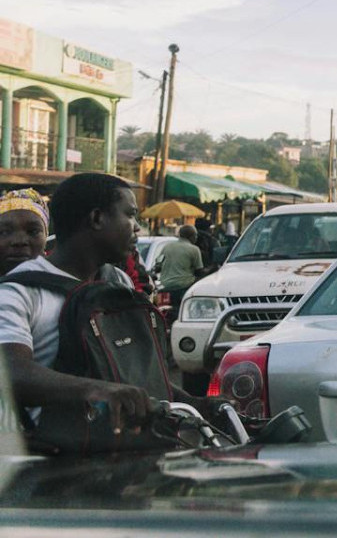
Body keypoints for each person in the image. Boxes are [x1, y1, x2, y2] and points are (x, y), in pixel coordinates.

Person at [0, 174, 208, 435]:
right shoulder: (18, 291)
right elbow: (10, 372)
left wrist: (194, 403)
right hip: (50, 462)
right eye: (130, 215)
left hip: (129, 454)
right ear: (97, 219)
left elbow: (135, 379)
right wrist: (98, 390)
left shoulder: (118, 281)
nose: (137, 228)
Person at [156, 224, 204, 321]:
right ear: (191, 236)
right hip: (184, 287)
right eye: (196, 235)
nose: (196, 238)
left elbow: (158, 266)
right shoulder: (194, 249)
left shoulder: (167, 247)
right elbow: (200, 271)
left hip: (165, 287)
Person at [0, 189, 49, 275]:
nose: (19, 241)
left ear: (46, 236)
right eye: (4, 232)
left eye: (33, 231)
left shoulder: (68, 285)